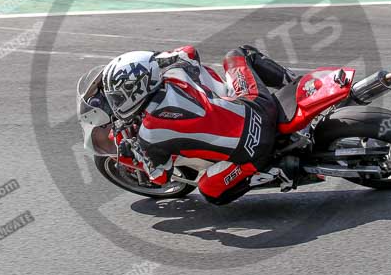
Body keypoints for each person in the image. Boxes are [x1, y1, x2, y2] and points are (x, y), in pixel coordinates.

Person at [101, 44, 300, 204]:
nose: (115, 103)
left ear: (138, 89)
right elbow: (189, 51)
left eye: (117, 98)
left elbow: (160, 177)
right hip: (257, 103)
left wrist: (133, 152)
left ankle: (276, 171)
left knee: (210, 191)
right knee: (238, 54)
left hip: (253, 147)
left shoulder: (150, 132)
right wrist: (160, 59)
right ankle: (294, 82)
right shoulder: (174, 73)